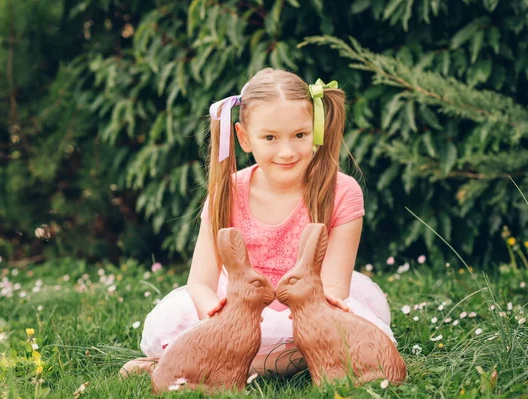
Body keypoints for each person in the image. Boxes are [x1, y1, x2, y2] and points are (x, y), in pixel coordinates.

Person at [120, 68, 395, 377]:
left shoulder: (342, 192)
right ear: (244, 137)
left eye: (300, 135)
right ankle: (222, 360)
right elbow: (199, 282)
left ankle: (198, 366)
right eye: (270, 138)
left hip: (309, 307)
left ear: (316, 130)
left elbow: (333, 287)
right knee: (212, 331)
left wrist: (319, 318)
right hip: (240, 305)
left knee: (349, 342)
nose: (287, 151)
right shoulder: (227, 193)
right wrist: (216, 315)